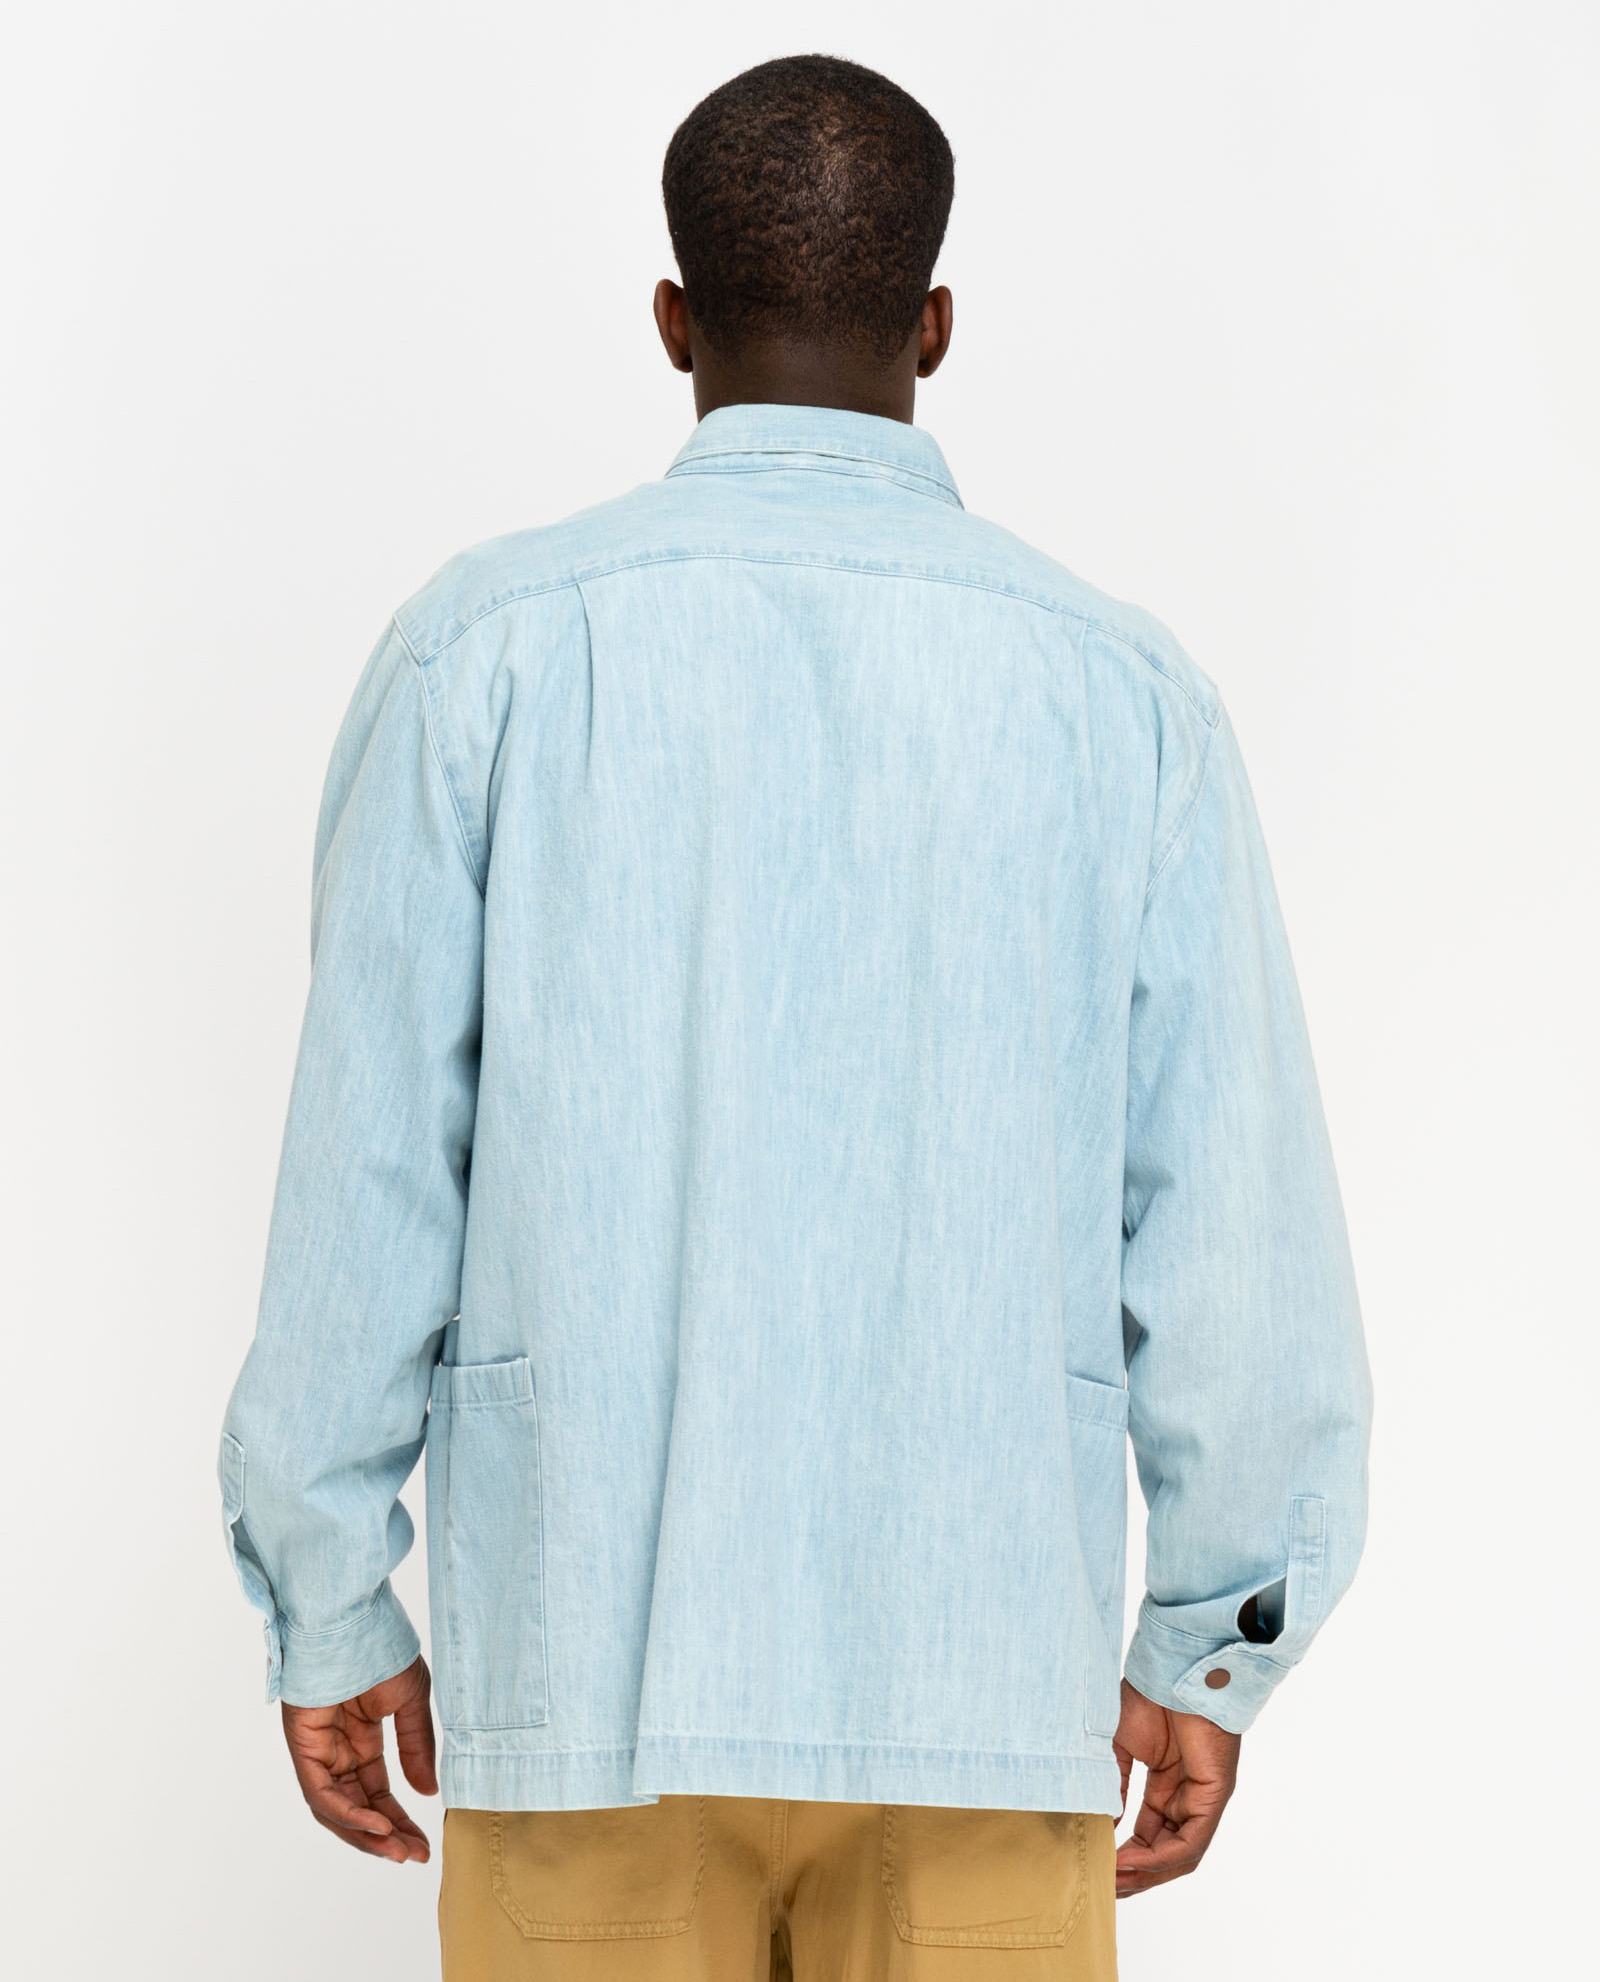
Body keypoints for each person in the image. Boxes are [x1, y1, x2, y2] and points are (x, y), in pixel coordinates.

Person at [220, 52, 1371, 1982]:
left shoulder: (483, 655)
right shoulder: (1123, 695)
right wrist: (1211, 1640)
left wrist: (327, 1598)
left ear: (674, 320)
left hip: (592, 1679)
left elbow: (369, 1175)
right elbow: (1231, 1223)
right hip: (981, 1690)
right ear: (936, 323)